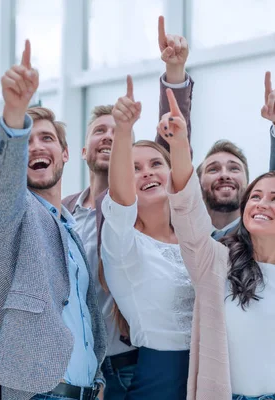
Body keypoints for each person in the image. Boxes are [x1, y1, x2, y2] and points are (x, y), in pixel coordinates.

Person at [61, 16, 193, 398]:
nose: (110, 135)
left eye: (117, 129)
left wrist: (174, 71)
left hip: (135, 358)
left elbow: (172, 145)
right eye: (99, 131)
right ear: (83, 152)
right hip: (88, 369)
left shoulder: (157, 212)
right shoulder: (64, 216)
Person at [0, 40, 106, 400]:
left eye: (47, 138)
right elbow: (1, 186)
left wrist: (98, 383)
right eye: (28, 140)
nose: (36, 147)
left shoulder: (71, 227)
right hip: (37, 393)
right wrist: (14, 116)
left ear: (65, 154)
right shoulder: (11, 212)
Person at [164, 88, 275, 400]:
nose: (261, 203)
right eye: (255, 197)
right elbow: (187, 211)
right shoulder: (214, 262)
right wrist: (178, 146)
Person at [99, 76, 193, 400]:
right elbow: (121, 199)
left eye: (156, 163)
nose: (148, 172)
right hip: (160, 377)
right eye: (135, 168)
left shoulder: (194, 239)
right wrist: (124, 130)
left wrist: (179, 142)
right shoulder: (122, 244)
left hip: (209, 370)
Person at [197, 71, 275, 240]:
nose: (224, 175)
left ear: (248, 187)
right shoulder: (181, 233)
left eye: (234, 168)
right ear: (197, 185)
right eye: (213, 169)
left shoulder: (263, 230)